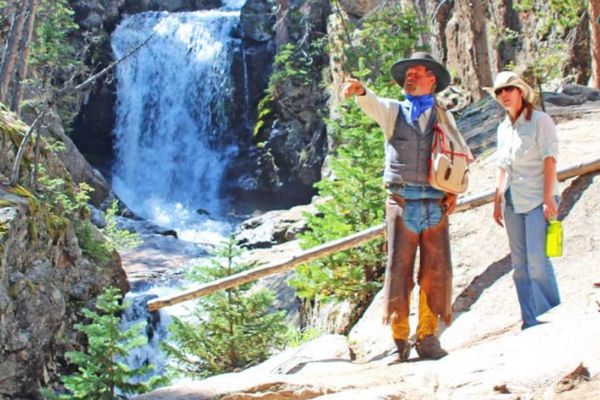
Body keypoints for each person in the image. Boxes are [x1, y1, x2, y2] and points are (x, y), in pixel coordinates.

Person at [344, 52, 466, 361]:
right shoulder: (394, 111)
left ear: (432, 80)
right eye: (407, 73)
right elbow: (372, 102)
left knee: (436, 271)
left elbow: (459, 153)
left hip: (435, 202)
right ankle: (399, 338)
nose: (410, 77)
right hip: (401, 200)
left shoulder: (443, 116)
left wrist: (454, 191)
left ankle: (427, 337)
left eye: (417, 72)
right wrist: (360, 90)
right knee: (399, 269)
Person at [488, 71, 561, 329]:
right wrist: (497, 201)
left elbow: (549, 158)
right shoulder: (503, 128)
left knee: (537, 259)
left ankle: (551, 310)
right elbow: (501, 167)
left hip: (537, 196)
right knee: (519, 262)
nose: (504, 95)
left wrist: (548, 198)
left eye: (508, 89)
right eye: (499, 92)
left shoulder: (540, 121)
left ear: (521, 91)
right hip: (512, 200)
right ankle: (528, 317)